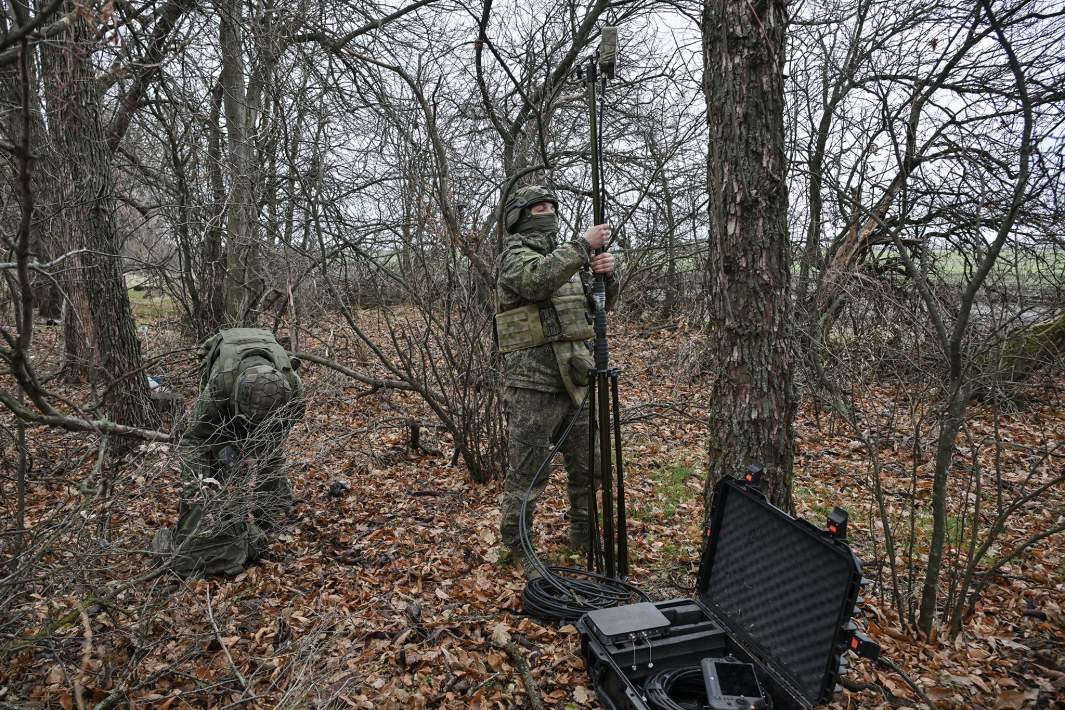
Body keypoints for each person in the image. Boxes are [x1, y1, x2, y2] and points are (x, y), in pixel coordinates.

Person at [495, 184, 618, 573]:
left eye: (550, 206)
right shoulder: (515, 255)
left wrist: (605, 277)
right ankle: (518, 546)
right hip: (534, 383)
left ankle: (584, 532)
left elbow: (599, 308)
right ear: (519, 216)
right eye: (537, 208)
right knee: (528, 471)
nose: (546, 212)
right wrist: (582, 247)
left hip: (576, 377)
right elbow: (535, 282)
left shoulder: (568, 259)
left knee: (589, 464)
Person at [153, 328, 304, 577]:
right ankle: (217, 510)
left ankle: (271, 510)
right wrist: (198, 491)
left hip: (268, 391)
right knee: (216, 454)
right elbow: (194, 441)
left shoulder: (292, 388)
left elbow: (284, 428)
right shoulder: (218, 387)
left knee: (271, 454)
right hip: (223, 354)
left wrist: (258, 449)